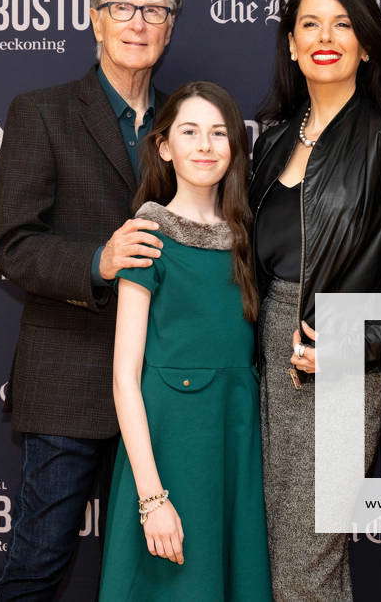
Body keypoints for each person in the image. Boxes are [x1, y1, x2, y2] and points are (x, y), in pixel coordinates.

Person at [250, 0, 381, 600]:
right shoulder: (274, 140)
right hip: (263, 358)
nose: (325, 37)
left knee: (305, 562)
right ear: (290, 44)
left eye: (343, 25)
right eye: (309, 24)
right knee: (280, 556)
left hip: (341, 367)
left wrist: (354, 342)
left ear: (366, 46)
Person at [0, 0, 183, 600]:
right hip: (67, 384)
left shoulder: (189, 124)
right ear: (94, 21)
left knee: (152, 574)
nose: (137, 23)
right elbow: (14, 247)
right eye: (122, 8)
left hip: (164, 387)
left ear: (170, 27)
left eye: (153, 10)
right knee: (39, 566)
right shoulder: (40, 113)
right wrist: (97, 260)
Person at [98, 81, 273, 601]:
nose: (205, 145)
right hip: (168, 453)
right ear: (164, 146)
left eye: (219, 133)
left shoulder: (248, 239)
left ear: (235, 148)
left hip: (235, 448)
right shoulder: (147, 234)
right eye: (190, 131)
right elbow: (125, 377)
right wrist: (152, 499)